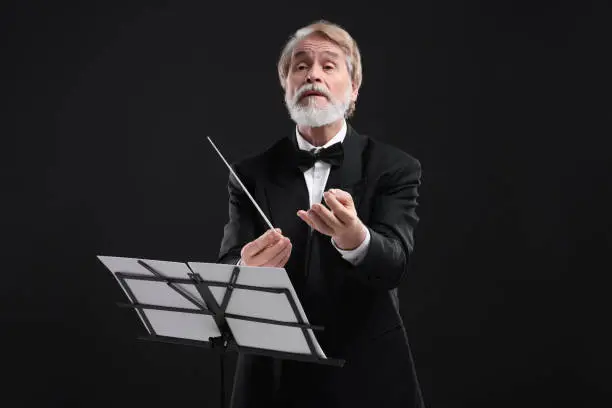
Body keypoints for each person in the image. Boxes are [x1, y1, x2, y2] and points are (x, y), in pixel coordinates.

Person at [217, 20, 425, 408]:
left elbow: (394, 266)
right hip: (271, 378)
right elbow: (229, 263)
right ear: (286, 87)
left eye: (329, 65)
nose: (313, 73)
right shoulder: (250, 173)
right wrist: (245, 270)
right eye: (300, 65)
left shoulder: (395, 167)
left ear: (354, 90)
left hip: (368, 376)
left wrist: (356, 240)